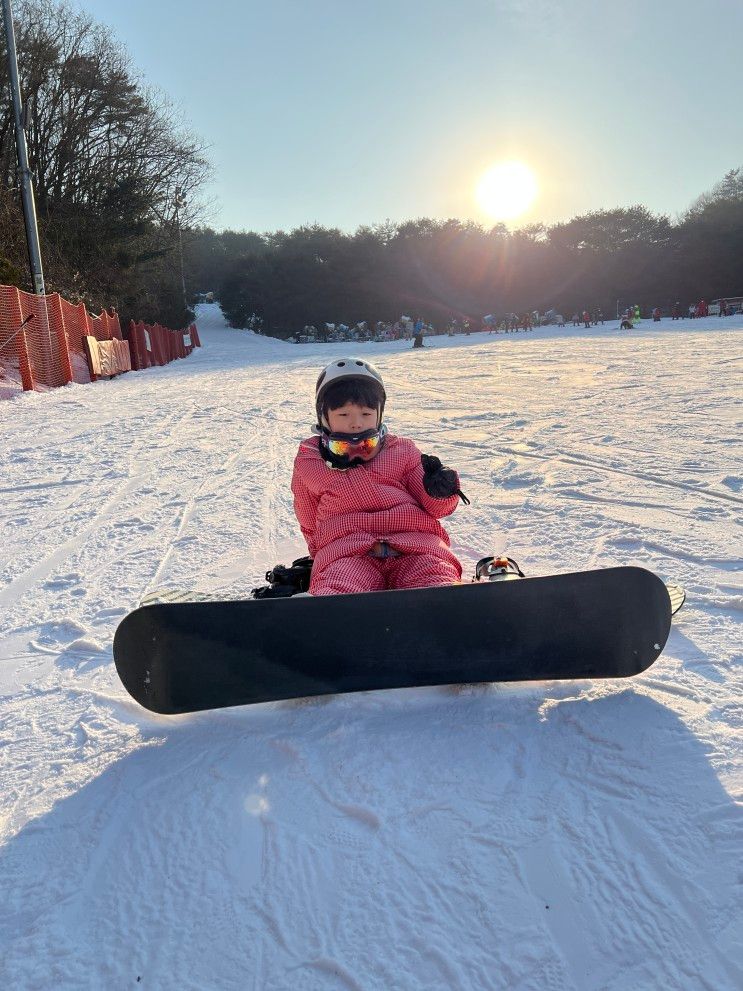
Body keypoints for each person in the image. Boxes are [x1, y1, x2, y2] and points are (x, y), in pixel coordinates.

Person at [291, 358, 468, 596]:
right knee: (338, 586)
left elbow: (436, 508)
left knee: (434, 577)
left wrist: (441, 491)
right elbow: (309, 518)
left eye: (366, 413)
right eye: (343, 414)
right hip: (348, 551)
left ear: (379, 414)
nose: (356, 423)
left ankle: (448, 611)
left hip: (415, 545)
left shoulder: (401, 451)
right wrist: (323, 551)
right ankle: (328, 619)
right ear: (324, 416)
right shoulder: (311, 461)